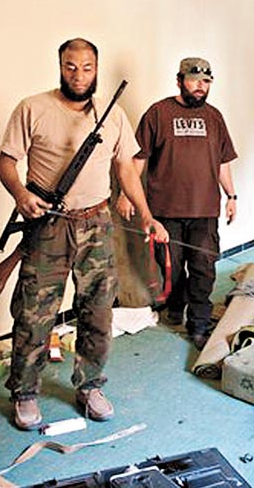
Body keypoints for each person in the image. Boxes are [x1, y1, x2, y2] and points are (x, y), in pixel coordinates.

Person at [0, 38, 169, 430]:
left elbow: (126, 169)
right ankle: (24, 392)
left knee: (98, 311)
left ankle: (90, 385)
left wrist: (146, 215)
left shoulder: (113, 115)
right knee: (34, 313)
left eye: (87, 67)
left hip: (97, 224)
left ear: (97, 68)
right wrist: (21, 195)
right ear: (60, 66)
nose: (79, 75)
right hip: (49, 225)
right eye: (71, 66)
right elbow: (6, 161)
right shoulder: (33, 108)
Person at [116, 57, 237, 351]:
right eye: (194, 80)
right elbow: (138, 158)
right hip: (164, 211)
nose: (200, 86)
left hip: (205, 210)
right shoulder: (158, 113)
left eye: (206, 81)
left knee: (203, 267)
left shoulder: (214, 117)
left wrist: (232, 196)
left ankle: (199, 324)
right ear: (179, 80)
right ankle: (175, 302)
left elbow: (223, 161)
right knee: (171, 266)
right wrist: (125, 193)